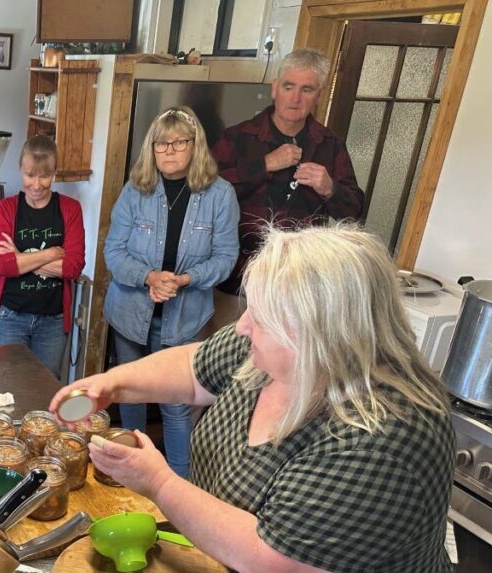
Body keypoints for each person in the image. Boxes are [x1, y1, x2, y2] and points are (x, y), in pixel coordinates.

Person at [51, 225, 454, 572]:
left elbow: (271, 558)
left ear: (320, 335)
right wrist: (112, 384)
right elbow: (195, 369)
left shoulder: (384, 438)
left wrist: (157, 482)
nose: (243, 326)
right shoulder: (271, 353)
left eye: (261, 318)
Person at [102, 106, 238, 478]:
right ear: (152, 148)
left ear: (196, 146)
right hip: (130, 314)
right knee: (130, 395)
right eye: (161, 143)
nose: (170, 150)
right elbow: (113, 251)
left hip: (185, 318)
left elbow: (226, 257)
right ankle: (128, 473)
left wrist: (184, 279)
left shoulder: (220, 195)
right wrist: (149, 277)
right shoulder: (136, 190)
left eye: (179, 142)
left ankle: (176, 487)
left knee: (176, 405)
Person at [210, 48, 365, 328]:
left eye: (307, 89)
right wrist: (264, 165)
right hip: (236, 275)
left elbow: (353, 210)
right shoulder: (238, 137)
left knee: (279, 365)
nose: (295, 98)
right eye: (288, 86)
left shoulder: (329, 144)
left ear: (319, 96)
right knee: (224, 359)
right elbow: (204, 192)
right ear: (274, 89)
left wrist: (330, 188)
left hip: (298, 282)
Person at [0, 136, 85, 378]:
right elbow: (0, 264)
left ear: (55, 172)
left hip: (53, 321)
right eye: (30, 175)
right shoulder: (7, 208)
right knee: (6, 388)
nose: (37, 184)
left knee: (45, 391)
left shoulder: (70, 209)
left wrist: (20, 258)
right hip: (11, 316)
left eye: (45, 176)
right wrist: (52, 253)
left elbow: (73, 267)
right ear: (20, 168)